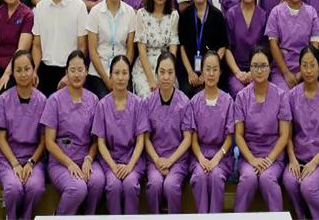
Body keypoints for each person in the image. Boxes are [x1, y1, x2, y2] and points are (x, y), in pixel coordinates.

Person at [41, 50, 105, 216]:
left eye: (80, 70)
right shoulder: (54, 100)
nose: (77, 74)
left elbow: (96, 140)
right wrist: (69, 163)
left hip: (85, 159)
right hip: (61, 162)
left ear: (86, 71)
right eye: (72, 70)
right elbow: (49, 142)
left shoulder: (93, 100)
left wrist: (89, 159)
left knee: (97, 182)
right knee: (77, 188)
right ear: (66, 73)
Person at [283, 46, 319, 220]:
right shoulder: (292, 96)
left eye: (312, 65)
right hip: (297, 157)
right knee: (290, 181)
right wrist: (292, 159)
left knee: (308, 186)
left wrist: (313, 163)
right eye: (304, 65)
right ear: (300, 68)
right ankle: (303, 216)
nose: (308, 70)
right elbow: (287, 134)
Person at [233, 46, 291, 213]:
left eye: (263, 66)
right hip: (249, 156)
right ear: (250, 68)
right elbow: (239, 135)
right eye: (255, 66)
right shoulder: (242, 97)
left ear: (270, 67)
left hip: (273, 156)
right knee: (248, 178)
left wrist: (269, 160)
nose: (259, 71)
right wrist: (252, 160)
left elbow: (284, 134)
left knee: (267, 178)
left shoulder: (281, 96)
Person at [0, 50, 48, 219]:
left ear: (33, 70)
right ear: (13, 73)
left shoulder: (42, 101)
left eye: (27, 69)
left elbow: (44, 140)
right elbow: (1, 139)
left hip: (34, 159)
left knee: (36, 187)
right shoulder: (4, 100)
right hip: (9, 158)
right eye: (18, 70)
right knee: (13, 188)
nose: (23, 74)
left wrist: (31, 163)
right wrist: (15, 164)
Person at [93, 55, 148, 215]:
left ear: (129, 75)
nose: (120, 77)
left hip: (133, 160)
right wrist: (114, 167)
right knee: (114, 185)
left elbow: (140, 141)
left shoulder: (138, 104)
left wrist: (130, 166)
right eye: (116, 73)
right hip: (111, 160)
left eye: (124, 73)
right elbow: (100, 143)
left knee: (130, 184)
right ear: (110, 75)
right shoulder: (102, 105)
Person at [142, 53, 192, 214]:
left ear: (175, 74)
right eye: (162, 72)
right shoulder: (148, 102)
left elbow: (188, 138)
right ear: (156, 73)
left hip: (177, 160)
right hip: (155, 159)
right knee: (154, 184)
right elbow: (145, 138)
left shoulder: (184, 102)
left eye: (170, 72)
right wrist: (158, 161)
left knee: (171, 186)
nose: (165, 77)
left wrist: (170, 161)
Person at [31, 0, 89, 96]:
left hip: (69, 73)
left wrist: (70, 74)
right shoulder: (41, 7)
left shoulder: (79, 6)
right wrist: (34, 71)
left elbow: (82, 46)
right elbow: (37, 45)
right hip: (44, 71)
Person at [184, 51, 234, 213]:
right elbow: (193, 139)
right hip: (199, 155)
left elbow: (229, 138)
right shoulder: (194, 102)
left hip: (221, 156)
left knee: (216, 177)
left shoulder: (228, 101)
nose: (211, 74)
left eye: (215, 69)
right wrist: (201, 159)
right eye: (207, 69)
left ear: (220, 72)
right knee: (199, 177)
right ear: (202, 72)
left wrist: (216, 159)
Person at [267, 0, 319, 91]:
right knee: (283, 95)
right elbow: (273, 45)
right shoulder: (276, 12)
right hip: (281, 70)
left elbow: (315, 46)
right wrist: (286, 73)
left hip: (307, 68)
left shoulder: (311, 13)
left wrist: (302, 72)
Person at [85, 0, 136, 99]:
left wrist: (123, 74)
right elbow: (92, 51)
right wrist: (107, 80)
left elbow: (130, 49)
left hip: (122, 73)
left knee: (127, 102)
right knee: (104, 99)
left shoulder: (130, 12)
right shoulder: (95, 12)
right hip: (98, 73)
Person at [177, 0, 228, 97]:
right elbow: (182, 47)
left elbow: (222, 47)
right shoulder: (184, 15)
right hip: (189, 69)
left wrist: (208, 71)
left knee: (204, 91)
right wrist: (190, 72)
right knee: (187, 91)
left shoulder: (217, 15)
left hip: (212, 70)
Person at [132, 0, 179, 97]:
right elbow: (141, 51)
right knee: (148, 95)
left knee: (170, 96)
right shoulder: (141, 14)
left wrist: (168, 74)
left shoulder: (174, 15)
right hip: (145, 68)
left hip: (166, 66)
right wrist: (152, 80)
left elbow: (173, 50)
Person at [224, 0, 267, 98]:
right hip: (236, 70)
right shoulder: (231, 14)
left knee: (257, 91)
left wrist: (255, 71)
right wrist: (238, 73)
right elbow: (227, 49)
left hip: (259, 69)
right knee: (239, 92)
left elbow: (266, 49)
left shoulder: (263, 15)